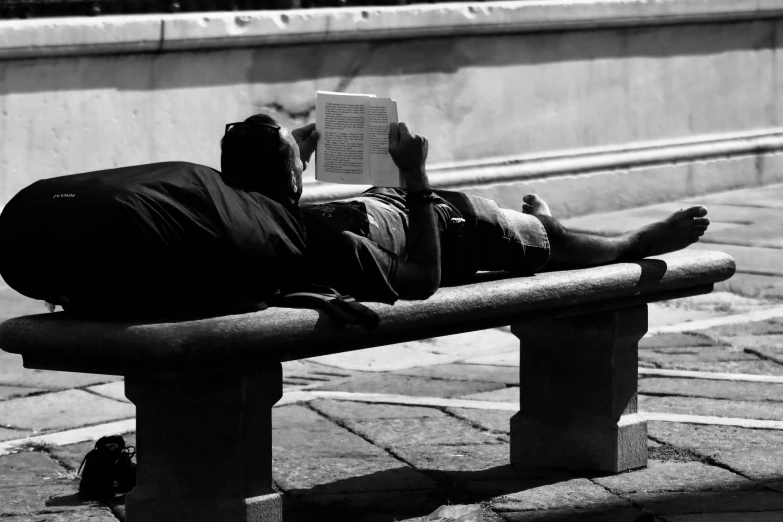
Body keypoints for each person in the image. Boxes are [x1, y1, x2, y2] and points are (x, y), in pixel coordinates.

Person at [220, 114, 710, 302]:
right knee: (552, 244)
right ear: (289, 178)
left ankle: (538, 222)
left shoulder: (237, 213)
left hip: (384, 207)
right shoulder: (324, 242)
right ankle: (634, 240)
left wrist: (293, 162)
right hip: (455, 225)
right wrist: (415, 178)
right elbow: (422, 279)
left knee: (384, 147)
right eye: (296, 160)